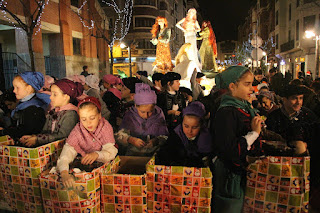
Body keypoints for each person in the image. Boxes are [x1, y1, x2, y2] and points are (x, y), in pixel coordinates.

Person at [210, 66, 264, 213]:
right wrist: (254, 133)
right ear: (232, 86)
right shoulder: (226, 113)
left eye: (252, 84)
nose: (252, 89)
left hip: (239, 176)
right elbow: (229, 149)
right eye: (247, 84)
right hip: (229, 177)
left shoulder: (244, 107)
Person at [57, 97, 118, 188]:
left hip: (106, 168)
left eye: (92, 118)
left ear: (99, 115)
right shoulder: (77, 131)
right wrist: (64, 173)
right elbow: (66, 154)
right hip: (87, 168)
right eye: (84, 119)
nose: (88, 123)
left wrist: (97, 155)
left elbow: (111, 152)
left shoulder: (105, 127)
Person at [19, 79, 83, 147]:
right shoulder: (53, 111)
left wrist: (38, 139)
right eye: (51, 94)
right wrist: (33, 137)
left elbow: (62, 136)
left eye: (55, 94)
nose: (51, 97)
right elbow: (45, 131)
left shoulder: (71, 114)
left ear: (66, 97)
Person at [115, 83, 168, 156]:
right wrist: (131, 139)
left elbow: (165, 136)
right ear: (136, 106)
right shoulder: (130, 115)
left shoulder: (158, 114)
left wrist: (156, 141)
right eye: (142, 112)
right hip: (133, 155)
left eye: (150, 112)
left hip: (155, 154)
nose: (146, 116)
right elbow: (119, 135)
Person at [156, 101, 213, 167]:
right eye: (186, 126)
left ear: (201, 125)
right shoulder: (175, 135)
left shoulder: (206, 139)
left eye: (194, 127)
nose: (189, 131)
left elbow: (206, 161)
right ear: (182, 123)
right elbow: (166, 155)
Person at [266, 84, 318, 154]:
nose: (298, 102)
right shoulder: (273, 117)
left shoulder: (309, 115)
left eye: (301, 98)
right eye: (294, 98)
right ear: (284, 100)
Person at [0, 72, 50, 140]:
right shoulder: (22, 104)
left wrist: (4, 132)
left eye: (17, 88)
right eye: (14, 88)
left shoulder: (33, 107)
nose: (14, 91)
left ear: (28, 88)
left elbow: (25, 130)